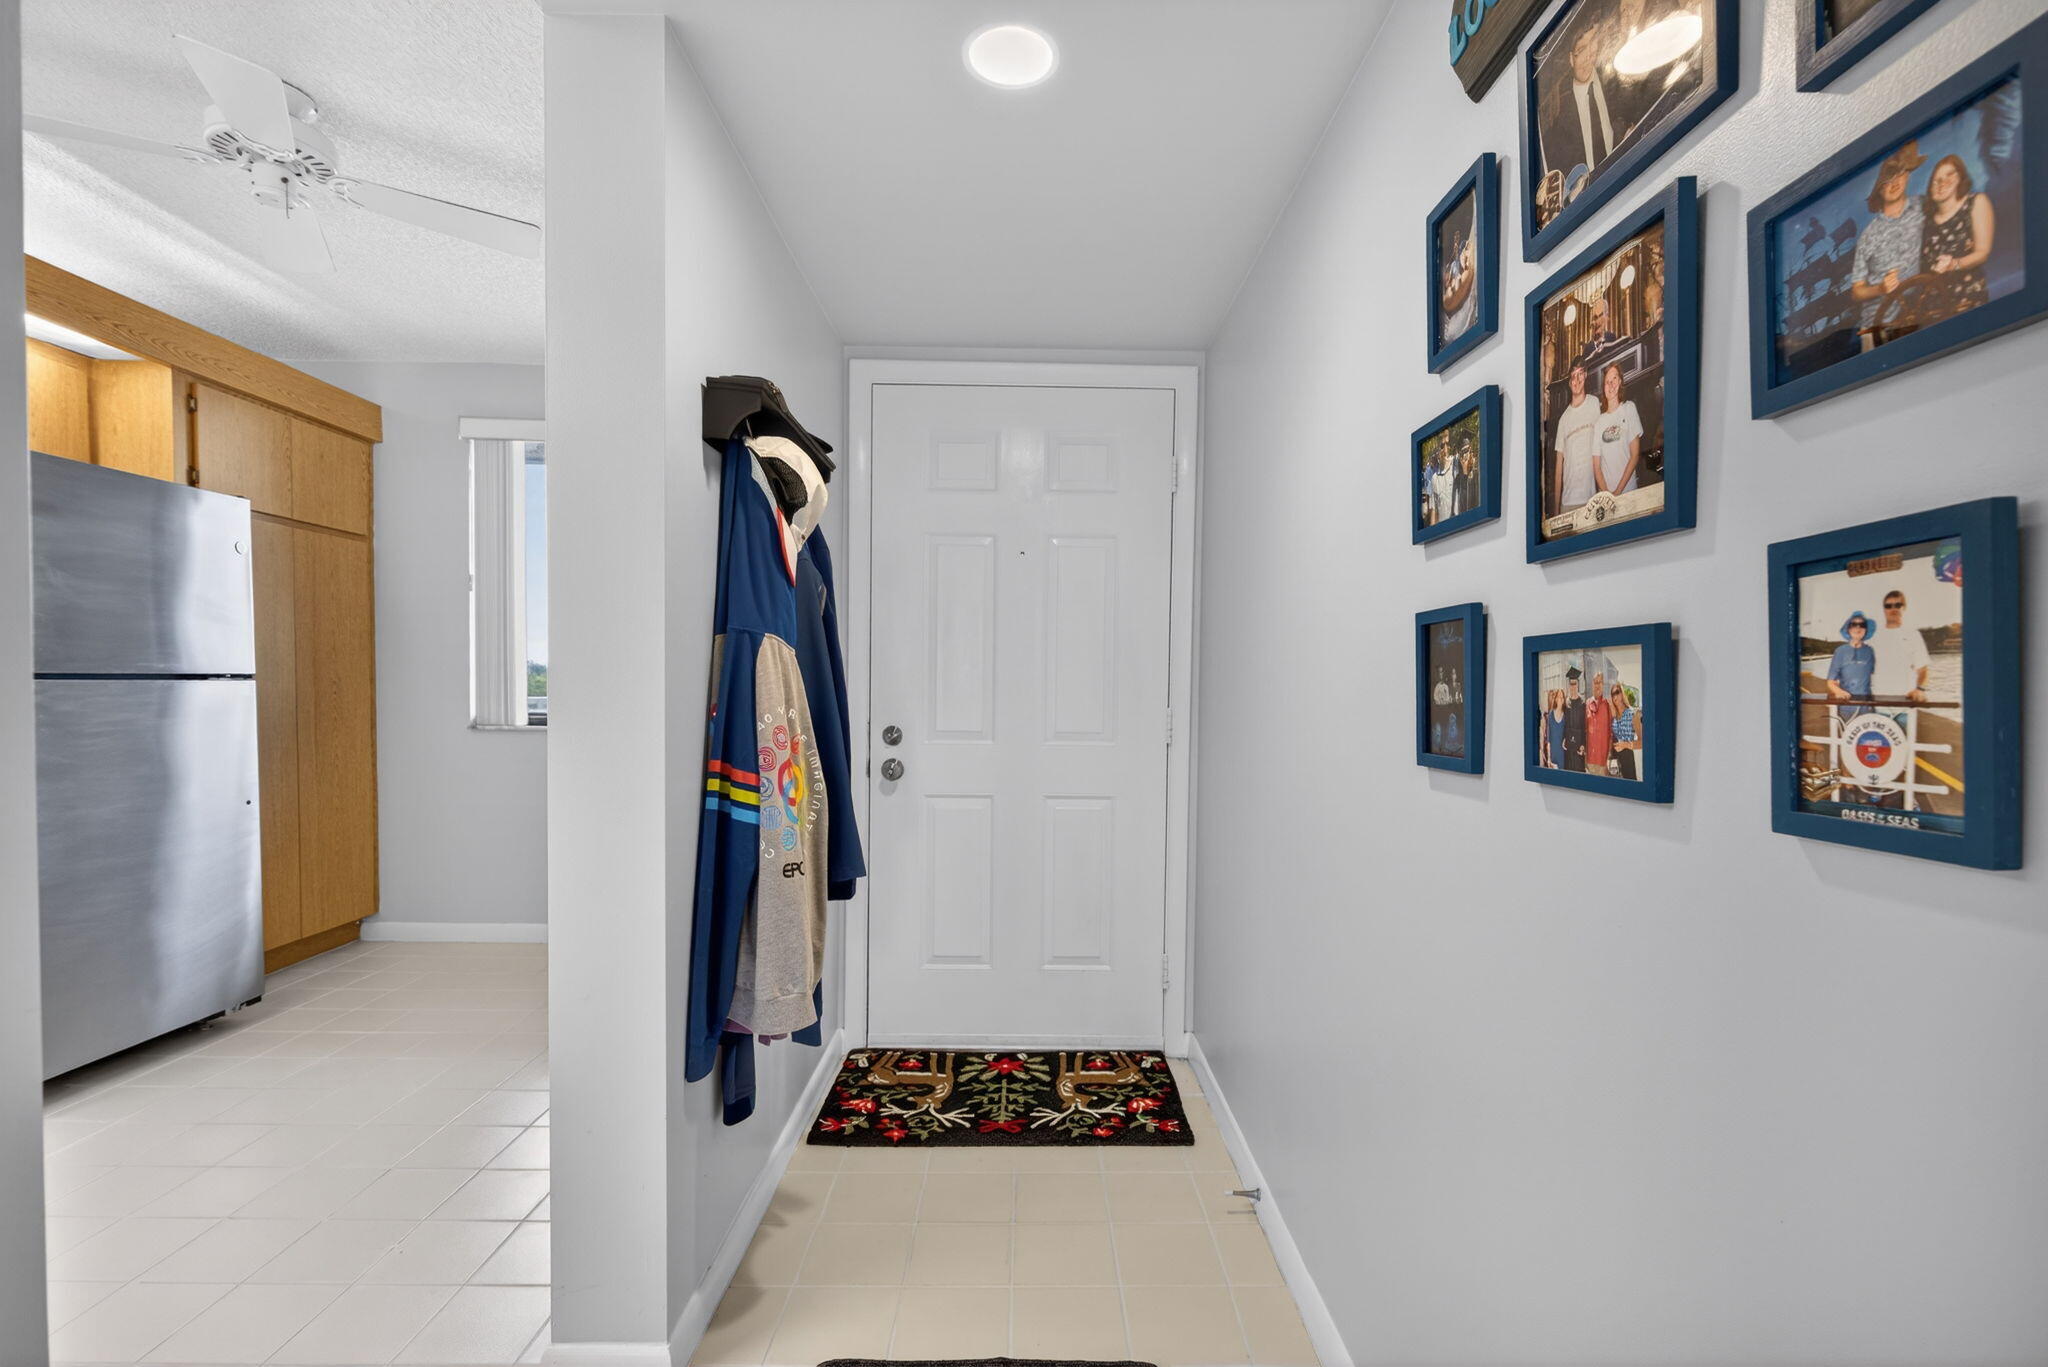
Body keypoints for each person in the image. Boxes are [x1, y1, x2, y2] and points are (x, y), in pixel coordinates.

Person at [1850, 141, 1928, 347]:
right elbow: (1857, 290)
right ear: (1878, 190)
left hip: (1919, 313)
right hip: (1876, 325)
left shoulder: (1924, 206)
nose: (1894, 183)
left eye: (1899, 175)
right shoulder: (1868, 235)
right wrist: (1881, 289)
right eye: (1886, 180)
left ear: (1908, 175)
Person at [1921, 153, 1995, 323]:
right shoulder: (1926, 222)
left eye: (1949, 175)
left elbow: (1983, 252)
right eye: (1936, 179)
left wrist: (1954, 264)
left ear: (1961, 178)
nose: (1942, 183)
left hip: (1968, 302)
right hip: (1931, 311)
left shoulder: (1976, 202)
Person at [1551, 362, 1601, 518]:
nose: (1577, 380)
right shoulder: (1563, 420)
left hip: (1592, 498)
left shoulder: (1594, 404)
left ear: (1585, 376)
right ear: (1569, 382)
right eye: (1573, 376)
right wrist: (1556, 508)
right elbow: (1559, 466)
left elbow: (1601, 448)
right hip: (1568, 502)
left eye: (1580, 374)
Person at [1592, 362, 1644, 497]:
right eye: (1607, 382)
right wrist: (1608, 495)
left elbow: (1634, 455)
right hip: (1606, 497)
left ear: (1620, 381)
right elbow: (1597, 467)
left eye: (1614, 379)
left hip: (1629, 492)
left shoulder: (1629, 408)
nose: (1611, 384)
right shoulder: (1598, 423)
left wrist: (1618, 492)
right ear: (1603, 388)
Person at [1872, 588, 1932, 704]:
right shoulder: (1874, 636)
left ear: (1904, 607)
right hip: (1878, 702)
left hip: (1906, 702)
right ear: (1884, 610)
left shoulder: (1913, 635)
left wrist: (1919, 689)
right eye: (1888, 606)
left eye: (1897, 605)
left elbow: (1923, 670)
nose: (1893, 609)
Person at [1825, 610, 1878, 720]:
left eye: (1862, 625)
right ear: (1848, 629)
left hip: (1867, 706)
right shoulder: (1840, 651)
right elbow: (1831, 682)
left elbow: (1872, 677)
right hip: (1846, 706)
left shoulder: (1870, 651)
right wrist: (1838, 691)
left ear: (1866, 630)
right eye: (1854, 624)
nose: (1858, 628)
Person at [1609, 683, 1640, 780]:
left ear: (1622, 693)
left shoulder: (1633, 714)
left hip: (1627, 758)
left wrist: (1625, 745)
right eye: (1612, 694)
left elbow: (1643, 742)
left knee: (1629, 790)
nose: (1615, 696)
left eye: (1617, 692)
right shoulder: (1614, 716)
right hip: (1614, 760)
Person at [1585, 668, 1613, 774]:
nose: (1597, 685)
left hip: (1603, 759)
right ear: (1592, 684)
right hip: (1590, 759)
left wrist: (1609, 755)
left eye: (1600, 682)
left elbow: (1611, 731)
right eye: (1595, 682)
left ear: (1603, 684)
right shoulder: (1587, 703)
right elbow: (1585, 730)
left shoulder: (1608, 705)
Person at [1562, 666, 1588, 772]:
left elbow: (1585, 726)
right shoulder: (1566, 703)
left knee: (1578, 771)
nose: (1573, 686)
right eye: (1571, 684)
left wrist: (1583, 744)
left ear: (1578, 684)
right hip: (1568, 745)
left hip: (1578, 745)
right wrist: (1564, 738)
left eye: (1575, 683)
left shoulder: (1583, 703)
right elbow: (1565, 724)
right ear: (1569, 685)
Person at [1545, 689, 1568, 770]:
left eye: (1562, 697)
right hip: (1553, 754)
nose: (1560, 699)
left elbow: (1567, 733)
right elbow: (1548, 739)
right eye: (1558, 697)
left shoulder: (1566, 714)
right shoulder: (1551, 715)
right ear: (1555, 699)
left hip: (1563, 754)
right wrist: (1548, 758)